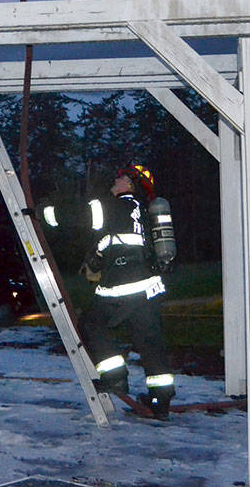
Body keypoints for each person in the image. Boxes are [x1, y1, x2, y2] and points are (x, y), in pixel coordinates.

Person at [78, 163, 177, 418]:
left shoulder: (113, 206)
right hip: (149, 287)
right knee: (150, 342)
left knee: (90, 323)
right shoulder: (145, 211)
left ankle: (115, 377)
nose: (116, 178)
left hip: (122, 285)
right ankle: (161, 400)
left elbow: (88, 226)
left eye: (121, 177)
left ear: (130, 185)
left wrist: (40, 212)